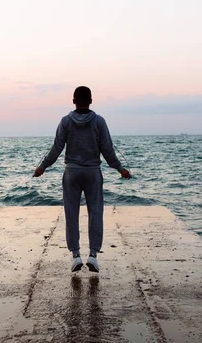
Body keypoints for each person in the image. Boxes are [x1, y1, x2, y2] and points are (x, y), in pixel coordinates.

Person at [33, 86, 131, 273]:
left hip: (72, 172)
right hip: (93, 172)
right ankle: (93, 256)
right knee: (96, 213)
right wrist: (120, 169)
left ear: (73, 101)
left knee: (71, 215)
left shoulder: (65, 121)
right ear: (91, 100)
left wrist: (42, 167)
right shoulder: (99, 121)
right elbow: (108, 150)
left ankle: (76, 255)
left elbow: (56, 148)